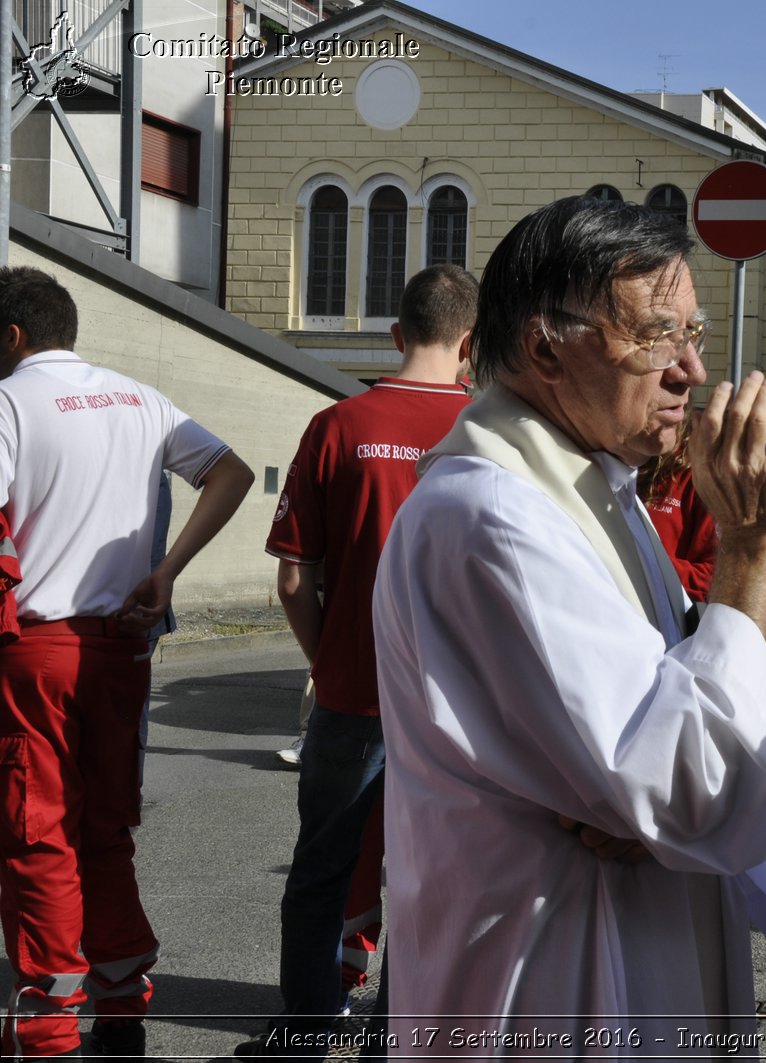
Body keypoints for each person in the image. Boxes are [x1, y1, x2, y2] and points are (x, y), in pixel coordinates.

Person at [370, 197, 766, 1052]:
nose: (689, 368)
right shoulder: (494, 515)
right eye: (655, 337)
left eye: (696, 333)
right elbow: (697, 783)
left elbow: (668, 764)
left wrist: (648, 813)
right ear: (545, 346)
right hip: (556, 985)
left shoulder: (594, 489)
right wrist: (752, 547)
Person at [0, 266, 254, 1059]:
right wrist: (167, 568)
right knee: (104, 828)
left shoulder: (9, 401)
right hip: (120, 648)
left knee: (36, 831)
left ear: (11, 336)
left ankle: (45, 1026)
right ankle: (119, 1007)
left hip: (34, 652)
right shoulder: (137, 396)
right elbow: (231, 471)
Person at [236, 265, 476, 1057]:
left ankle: (305, 1031)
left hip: (352, 694)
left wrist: (328, 657)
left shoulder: (337, 425)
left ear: (397, 333)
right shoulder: (492, 431)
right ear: (470, 343)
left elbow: (293, 578)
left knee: (321, 873)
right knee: (430, 883)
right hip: (455, 708)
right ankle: (398, 1037)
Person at [639, 414, 717, 603]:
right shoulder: (612, 464)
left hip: (662, 615)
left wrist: (643, 566)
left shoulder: (699, 479)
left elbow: (712, 576)